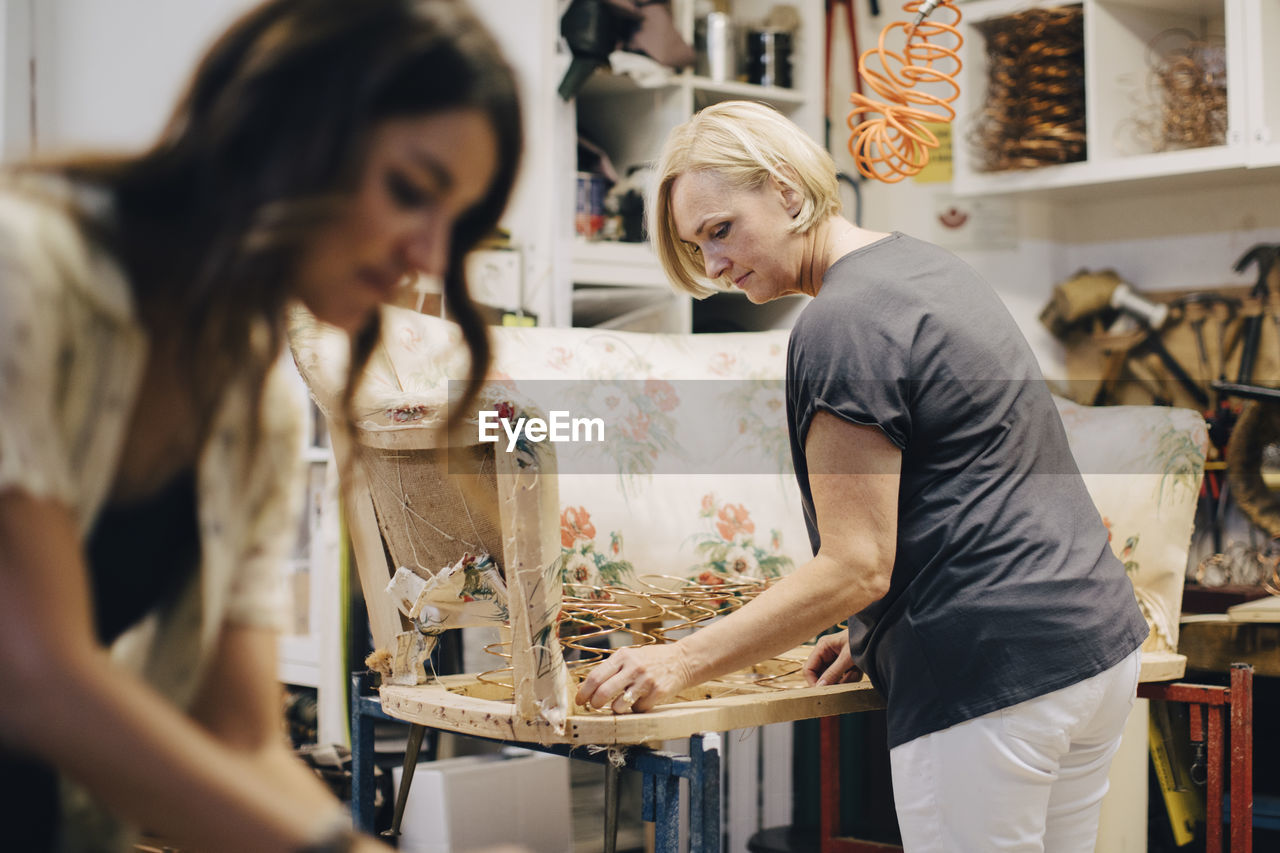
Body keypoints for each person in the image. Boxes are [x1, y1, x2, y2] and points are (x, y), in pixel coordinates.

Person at [0, 0, 520, 850]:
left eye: (453, 223)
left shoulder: (254, 407)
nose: (427, 255)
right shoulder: (26, 273)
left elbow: (238, 736)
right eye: (408, 190)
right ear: (290, 130)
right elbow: (32, 672)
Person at [576, 101, 1148, 852]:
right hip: (1091, 649)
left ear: (785, 190)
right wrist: (881, 632)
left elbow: (855, 565)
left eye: (720, 230)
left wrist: (675, 658)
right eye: (696, 245)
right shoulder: (927, 267)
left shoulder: (840, 322)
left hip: (989, 672)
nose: (714, 265)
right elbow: (969, 483)